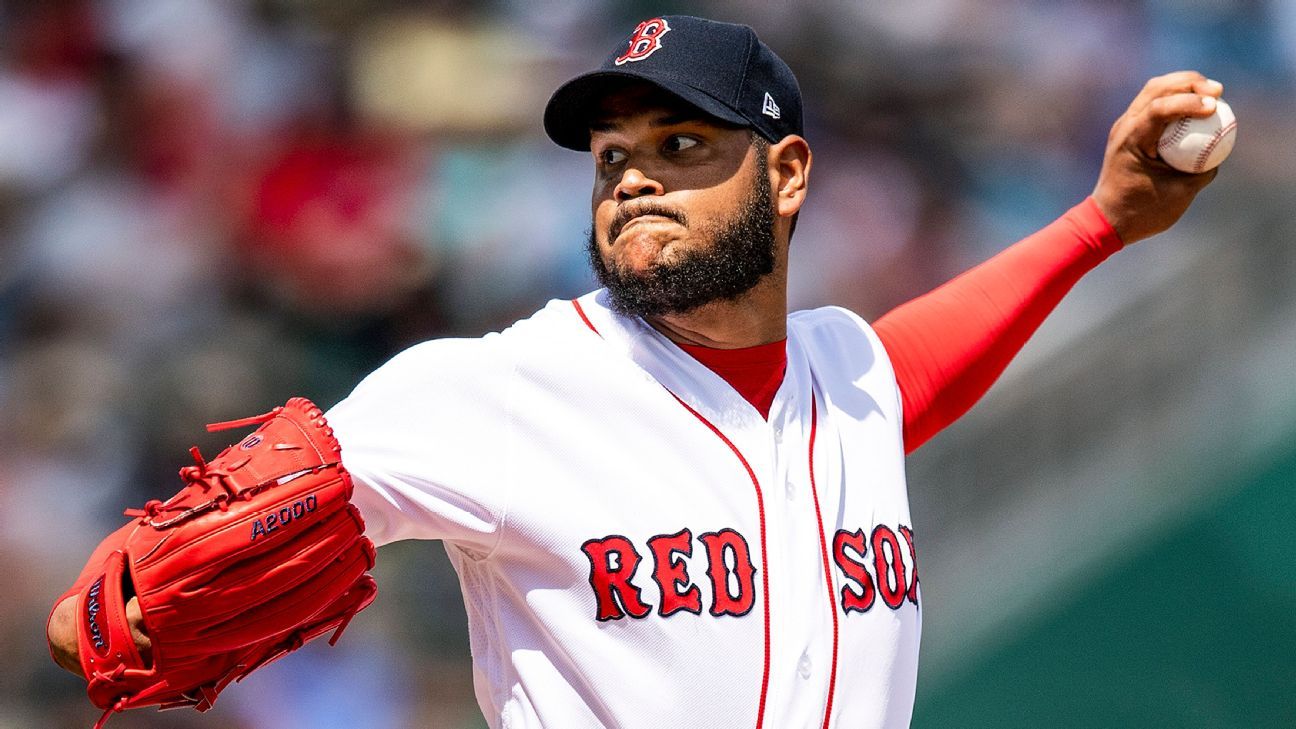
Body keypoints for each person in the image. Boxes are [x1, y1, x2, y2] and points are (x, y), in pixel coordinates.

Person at [48, 15, 1221, 728]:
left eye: (683, 145)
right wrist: (113, 604)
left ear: (791, 175)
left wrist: (1102, 220)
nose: (634, 177)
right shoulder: (497, 393)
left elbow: (921, 363)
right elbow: (102, 618)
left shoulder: (842, 374)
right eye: (612, 155)